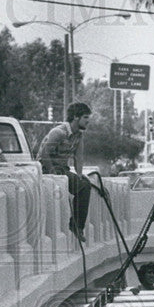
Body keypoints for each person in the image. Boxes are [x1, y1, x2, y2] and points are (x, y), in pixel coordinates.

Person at [36, 102, 93, 242]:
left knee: (85, 183)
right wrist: (54, 172)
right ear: (75, 117)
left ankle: (77, 224)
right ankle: (75, 225)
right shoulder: (59, 132)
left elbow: (78, 158)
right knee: (83, 188)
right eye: (85, 117)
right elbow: (44, 155)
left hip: (62, 169)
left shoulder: (78, 135)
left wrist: (79, 176)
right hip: (47, 168)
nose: (88, 120)